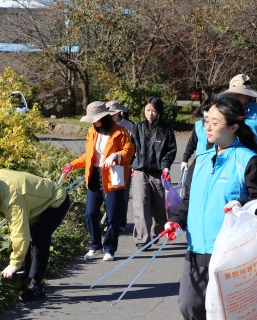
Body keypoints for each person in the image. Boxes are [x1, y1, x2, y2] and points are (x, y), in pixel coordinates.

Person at [165, 97, 257, 320]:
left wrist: (242, 205)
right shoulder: (200, 160)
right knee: (189, 307)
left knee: (232, 313)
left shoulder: (250, 161)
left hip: (231, 250)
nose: (207, 127)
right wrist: (176, 221)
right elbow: (187, 201)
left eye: (215, 123)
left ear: (234, 127)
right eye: (206, 122)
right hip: (197, 247)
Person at [0, 169, 70, 302]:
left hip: (54, 201)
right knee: (27, 235)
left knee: (39, 238)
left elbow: (20, 235)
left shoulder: (12, 201)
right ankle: (24, 275)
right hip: (33, 202)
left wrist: (13, 264)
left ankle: (36, 286)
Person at [61, 101, 134, 261]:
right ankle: (96, 246)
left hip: (112, 177)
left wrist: (116, 156)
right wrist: (71, 165)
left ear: (104, 117)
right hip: (94, 176)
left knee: (112, 217)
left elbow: (129, 151)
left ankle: (109, 249)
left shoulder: (120, 132)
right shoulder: (92, 132)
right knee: (90, 214)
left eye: (95, 119)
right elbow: (88, 156)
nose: (93, 122)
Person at [130, 97, 178, 249]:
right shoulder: (137, 128)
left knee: (160, 209)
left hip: (158, 173)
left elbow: (171, 150)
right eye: (148, 110)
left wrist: (165, 166)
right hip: (140, 171)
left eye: (154, 111)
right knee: (141, 206)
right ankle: (142, 240)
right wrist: (132, 164)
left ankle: (155, 233)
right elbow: (130, 148)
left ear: (159, 112)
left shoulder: (166, 129)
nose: (150, 114)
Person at [219, 74, 257, 173]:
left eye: (239, 94)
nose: (235, 97)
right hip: (228, 165)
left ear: (247, 94)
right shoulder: (224, 112)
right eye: (233, 94)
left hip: (253, 165)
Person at [107, 100, 135, 232]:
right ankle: (109, 222)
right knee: (109, 194)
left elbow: (133, 147)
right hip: (108, 165)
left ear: (119, 112)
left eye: (113, 112)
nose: (111, 115)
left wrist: (133, 163)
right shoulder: (105, 125)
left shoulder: (128, 125)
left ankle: (121, 223)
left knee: (123, 195)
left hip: (125, 165)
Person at [181, 97, 215, 173]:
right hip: (200, 162)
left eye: (208, 111)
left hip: (214, 164)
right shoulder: (198, 126)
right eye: (205, 111)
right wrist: (185, 160)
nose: (206, 113)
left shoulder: (220, 127)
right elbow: (192, 143)